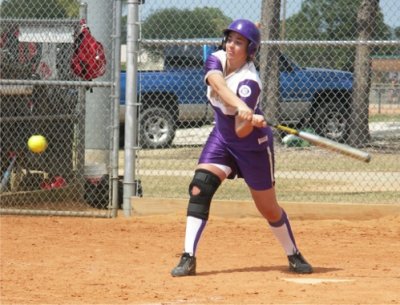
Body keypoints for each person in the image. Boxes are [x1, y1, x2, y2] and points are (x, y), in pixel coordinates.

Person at [171, 19, 313, 277]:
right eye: (229, 40)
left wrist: (247, 118)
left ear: (250, 51)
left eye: (239, 42)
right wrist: (240, 106)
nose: (231, 46)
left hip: (252, 146)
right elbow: (217, 84)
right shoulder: (216, 58)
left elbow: (241, 131)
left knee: (268, 208)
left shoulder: (250, 83)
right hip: (222, 139)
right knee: (199, 186)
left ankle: (293, 253)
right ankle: (188, 257)